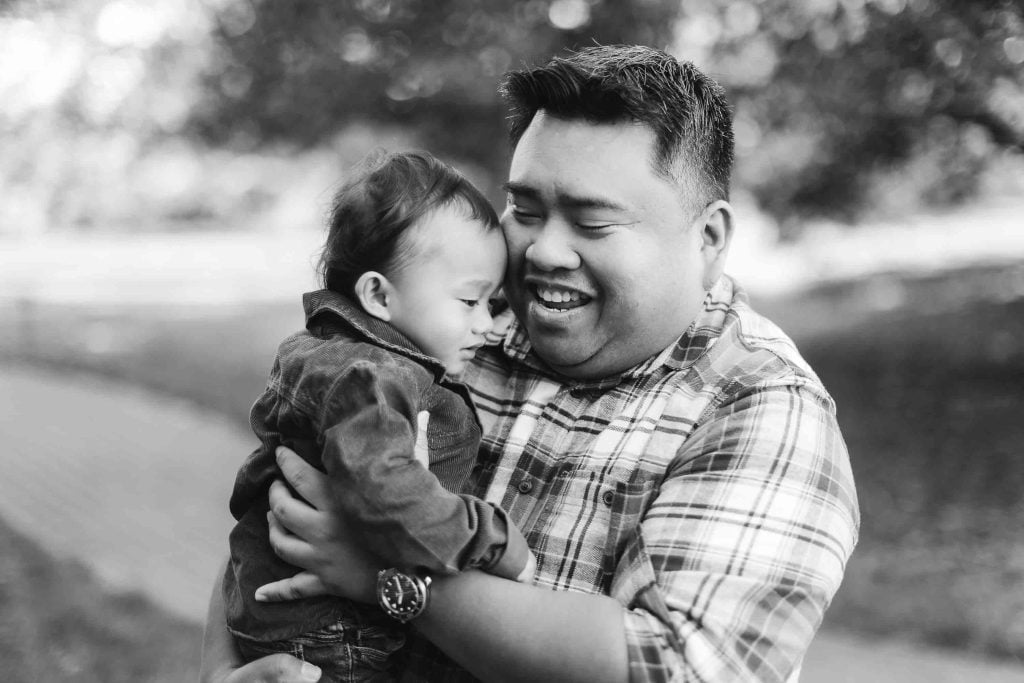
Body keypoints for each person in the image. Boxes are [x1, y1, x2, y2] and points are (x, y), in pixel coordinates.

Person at [201, 45, 859, 683]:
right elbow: (278, 503)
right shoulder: (455, 329)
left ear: (708, 238)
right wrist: (221, 668)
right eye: (525, 209)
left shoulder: (762, 406)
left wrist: (388, 575)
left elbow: (674, 667)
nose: (544, 250)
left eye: (592, 221)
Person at [221, 151, 535, 682]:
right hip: (330, 632)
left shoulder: (319, 349)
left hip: (273, 608)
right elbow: (387, 492)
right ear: (377, 295)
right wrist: (494, 541)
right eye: (470, 302)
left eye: (493, 304)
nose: (488, 326)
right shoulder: (373, 378)